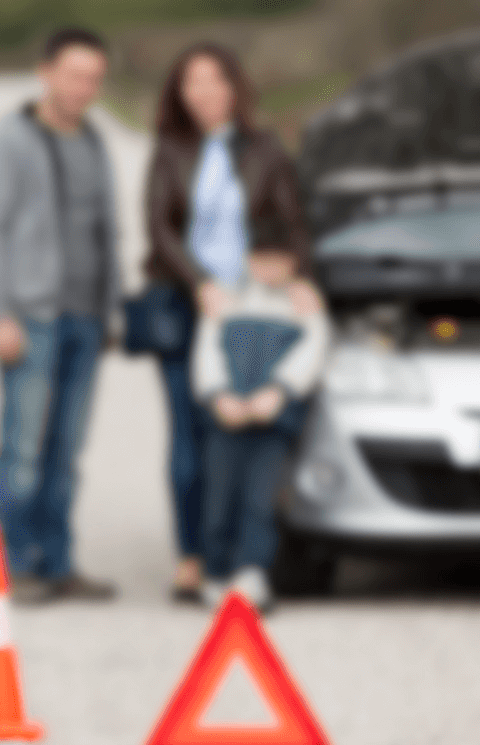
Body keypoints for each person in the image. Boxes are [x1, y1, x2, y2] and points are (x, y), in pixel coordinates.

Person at [144, 43, 315, 602]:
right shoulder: (169, 151)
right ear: (179, 92)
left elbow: (291, 220)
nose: (205, 92)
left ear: (234, 87)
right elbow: (160, 229)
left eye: (215, 80)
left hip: (251, 310)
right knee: (189, 437)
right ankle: (194, 556)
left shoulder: (265, 149)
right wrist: (201, 285)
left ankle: (247, 557)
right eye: (192, 82)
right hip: (185, 303)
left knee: (248, 433)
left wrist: (300, 279)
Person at [0, 28, 122, 604]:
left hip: (85, 318)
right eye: (75, 74)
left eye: (94, 78)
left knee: (66, 452)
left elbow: (106, 230)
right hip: (31, 319)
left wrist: (109, 310)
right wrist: (0, 312)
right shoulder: (11, 140)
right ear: (47, 72)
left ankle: (58, 563)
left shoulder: (93, 140)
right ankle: (10, 565)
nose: (85, 87)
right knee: (24, 449)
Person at [192, 242, 329, 613]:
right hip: (226, 419)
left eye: (278, 259)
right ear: (249, 261)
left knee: (261, 498)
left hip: (272, 422)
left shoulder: (303, 306)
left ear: (292, 262)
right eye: (261, 259)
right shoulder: (226, 301)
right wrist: (218, 395)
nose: (269, 268)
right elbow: (207, 350)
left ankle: (251, 572)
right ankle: (216, 573)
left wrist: (280, 392)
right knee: (219, 497)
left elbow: (313, 351)